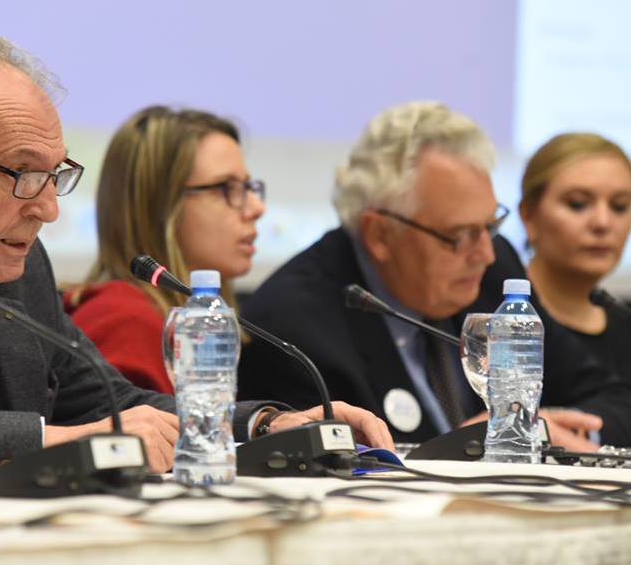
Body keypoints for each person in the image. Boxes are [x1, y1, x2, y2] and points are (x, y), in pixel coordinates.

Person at [0, 26, 393, 471]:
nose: (48, 208)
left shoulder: (17, 269)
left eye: (55, 176)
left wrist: (264, 425)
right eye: (23, 174)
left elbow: (110, 403)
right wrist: (63, 441)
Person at [238, 101, 631, 450]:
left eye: (490, 226)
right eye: (459, 235)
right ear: (380, 235)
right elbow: (333, 465)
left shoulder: (494, 271)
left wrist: (550, 428)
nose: (485, 253)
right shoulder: (296, 322)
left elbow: (613, 400)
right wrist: (463, 448)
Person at [65, 106, 264, 394]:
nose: (257, 207)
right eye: (225, 188)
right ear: (159, 204)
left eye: (248, 187)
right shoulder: (125, 323)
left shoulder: (170, 320)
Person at [520, 132, 631, 385]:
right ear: (528, 216)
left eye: (619, 206)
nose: (602, 223)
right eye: (578, 204)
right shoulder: (497, 318)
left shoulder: (624, 326)